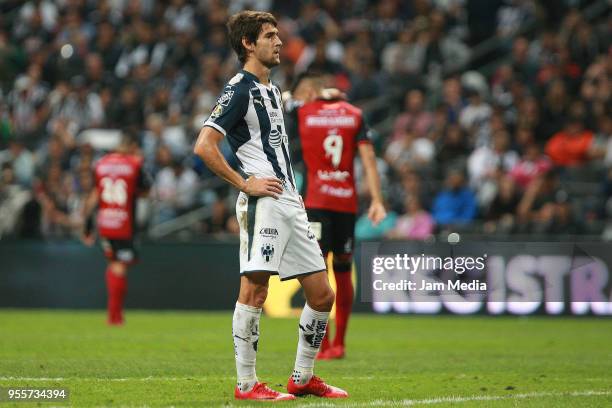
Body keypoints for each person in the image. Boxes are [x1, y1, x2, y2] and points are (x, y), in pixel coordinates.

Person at [193, 11, 348, 401]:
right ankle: (247, 385)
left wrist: (315, 97)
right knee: (255, 292)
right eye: (270, 36)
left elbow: (282, 111)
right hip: (264, 203)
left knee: (322, 295)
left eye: (278, 35)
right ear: (248, 44)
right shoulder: (238, 89)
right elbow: (204, 146)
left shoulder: (273, 90)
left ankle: (302, 377)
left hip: (291, 202)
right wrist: (244, 182)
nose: (279, 42)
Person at [286, 71, 386, 360]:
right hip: (346, 203)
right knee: (343, 271)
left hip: (317, 202)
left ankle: (322, 345)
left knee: (318, 272)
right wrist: (377, 200)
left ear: (309, 91)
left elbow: (281, 98)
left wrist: (301, 97)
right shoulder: (354, 114)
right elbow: (368, 159)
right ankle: (339, 344)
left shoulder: (303, 110)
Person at [82, 135, 148, 325]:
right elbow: (146, 190)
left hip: (106, 222)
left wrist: (87, 225)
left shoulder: (101, 164)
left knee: (114, 264)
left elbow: (95, 195)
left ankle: (115, 315)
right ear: (131, 146)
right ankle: (114, 316)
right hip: (124, 222)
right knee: (119, 266)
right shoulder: (133, 165)